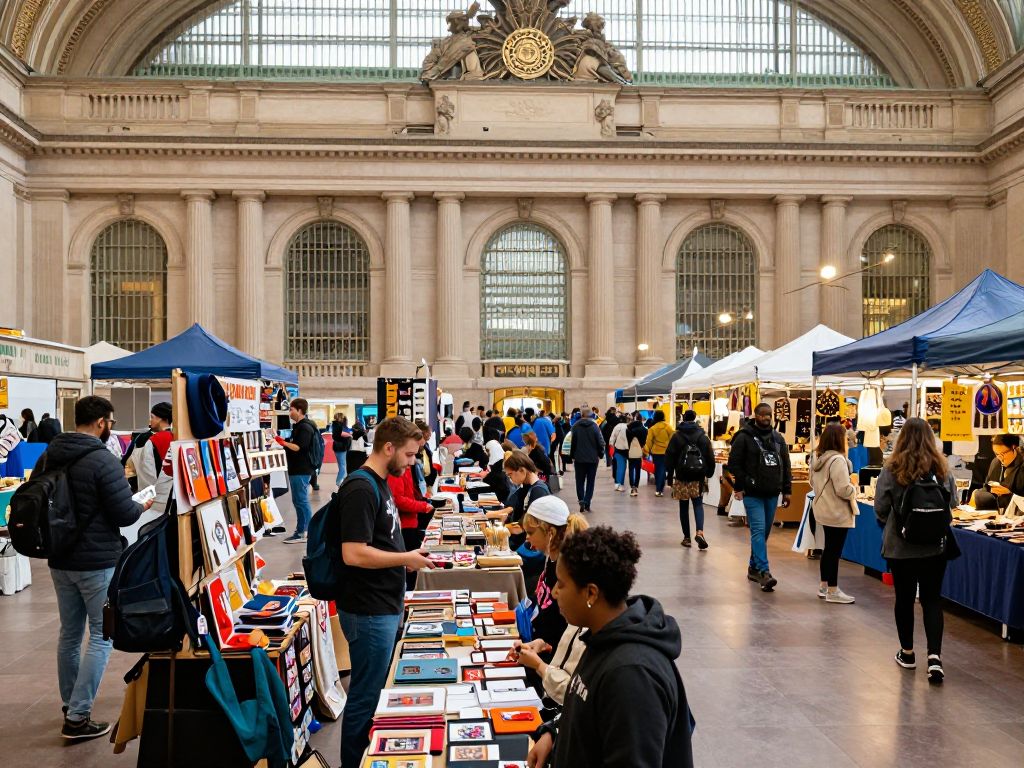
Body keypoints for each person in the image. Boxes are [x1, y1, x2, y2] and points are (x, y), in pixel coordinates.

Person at [530, 526, 693, 768]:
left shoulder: (632, 676)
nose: (553, 593)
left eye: (561, 584)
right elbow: (587, 711)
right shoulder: (600, 637)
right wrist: (554, 733)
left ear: (591, 593)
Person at [38, 396, 150, 740]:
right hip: (97, 560)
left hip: (60, 558)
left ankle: (71, 702)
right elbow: (123, 514)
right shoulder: (103, 460)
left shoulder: (49, 454)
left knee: (70, 634)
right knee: (102, 637)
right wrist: (142, 503)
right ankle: (77, 717)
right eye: (111, 423)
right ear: (102, 422)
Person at [331, 416, 436, 768]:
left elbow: (378, 541)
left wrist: (402, 561)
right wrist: (405, 557)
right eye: (408, 455)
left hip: (382, 605)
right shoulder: (361, 488)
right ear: (388, 448)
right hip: (368, 610)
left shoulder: (378, 483)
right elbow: (354, 552)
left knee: (373, 692)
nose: (411, 463)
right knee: (364, 696)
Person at [875, 417, 959, 684]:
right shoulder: (942, 469)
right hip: (936, 546)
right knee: (932, 600)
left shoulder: (892, 468)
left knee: (904, 598)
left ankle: (908, 653)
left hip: (901, 547)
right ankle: (934, 658)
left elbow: (880, 507)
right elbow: (953, 503)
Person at [727, 403, 792, 592]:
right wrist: (743, 484)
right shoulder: (743, 437)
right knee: (757, 530)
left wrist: (787, 490)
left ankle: (753, 567)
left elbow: (786, 466)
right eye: (763, 414)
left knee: (764, 534)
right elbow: (734, 464)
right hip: (753, 494)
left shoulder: (778, 439)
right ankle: (764, 572)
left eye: (769, 415)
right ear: (755, 415)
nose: (766, 417)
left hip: (772, 493)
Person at [521, 495, 588, 654]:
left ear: (550, 532)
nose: (527, 539)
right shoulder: (550, 561)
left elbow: (564, 626)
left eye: (530, 532)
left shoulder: (565, 570)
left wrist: (543, 647)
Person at [810, 423, 858, 604]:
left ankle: (824, 586)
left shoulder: (818, 458)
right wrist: (854, 489)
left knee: (828, 549)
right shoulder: (838, 461)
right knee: (834, 550)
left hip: (823, 508)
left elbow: (812, 483)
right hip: (837, 511)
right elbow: (843, 489)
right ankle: (833, 590)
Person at [387, 432, 434, 590]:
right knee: (410, 573)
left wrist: (422, 500)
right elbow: (398, 499)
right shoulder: (397, 471)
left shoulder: (404, 468)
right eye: (410, 454)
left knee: (412, 570)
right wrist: (422, 506)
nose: (413, 460)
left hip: (410, 523)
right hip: (405, 526)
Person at [665, 410, 715, 549]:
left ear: (683, 418)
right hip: (698, 477)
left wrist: (669, 476)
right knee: (698, 504)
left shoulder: (676, 436)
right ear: (695, 419)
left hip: (682, 477)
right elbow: (710, 456)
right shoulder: (702, 437)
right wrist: (709, 473)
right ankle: (700, 532)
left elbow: (669, 457)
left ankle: (686, 538)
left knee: (684, 506)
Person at [275, 398, 318, 544]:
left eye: (291, 409)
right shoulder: (300, 426)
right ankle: (302, 530)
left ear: (299, 410)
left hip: (301, 469)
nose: (289, 412)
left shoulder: (305, 427)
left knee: (301, 500)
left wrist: (283, 442)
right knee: (299, 500)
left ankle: (303, 532)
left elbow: (299, 447)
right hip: (298, 469)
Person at [126, 402, 173, 493]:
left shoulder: (146, 439)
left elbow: (146, 471)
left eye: (152, 417)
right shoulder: (177, 438)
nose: (150, 420)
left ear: (160, 418)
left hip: (151, 494)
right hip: (172, 494)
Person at [569, 408, 605, 513]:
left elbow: (572, 443)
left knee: (579, 481)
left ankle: (581, 500)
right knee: (590, 481)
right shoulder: (595, 427)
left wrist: (572, 455)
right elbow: (600, 442)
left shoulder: (575, 426)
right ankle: (587, 502)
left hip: (579, 458)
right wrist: (600, 454)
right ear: (590, 415)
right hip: (592, 459)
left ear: (581, 415)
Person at [977, 433, 1024, 510]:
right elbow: (986, 487)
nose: (1000, 458)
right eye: (997, 454)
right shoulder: (996, 462)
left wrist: (1010, 493)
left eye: (1003, 454)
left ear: (1014, 448)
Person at [644, 410, 673, 497]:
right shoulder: (668, 427)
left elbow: (648, 442)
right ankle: (660, 488)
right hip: (666, 452)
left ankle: (659, 489)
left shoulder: (652, 428)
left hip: (656, 452)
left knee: (658, 469)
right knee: (662, 469)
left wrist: (646, 451)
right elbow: (673, 439)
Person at [625, 412, 648, 497]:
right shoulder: (645, 430)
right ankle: (636, 485)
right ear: (641, 420)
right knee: (638, 469)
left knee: (631, 469)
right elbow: (645, 442)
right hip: (639, 452)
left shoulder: (629, 430)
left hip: (630, 452)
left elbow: (627, 441)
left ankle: (632, 486)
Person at [608, 416, 629, 492]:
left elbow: (612, 438)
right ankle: (620, 484)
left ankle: (617, 483)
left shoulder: (617, 427)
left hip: (618, 449)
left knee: (619, 467)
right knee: (623, 467)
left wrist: (611, 446)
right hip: (626, 450)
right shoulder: (628, 426)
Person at [331, 413, 352, 486]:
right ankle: (338, 481)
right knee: (343, 466)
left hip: (340, 447)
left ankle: (344, 481)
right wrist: (350, 435)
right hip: (340, 447)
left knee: (342, 466)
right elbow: (341, 433)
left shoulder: (336, 425)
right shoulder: (338, 425)